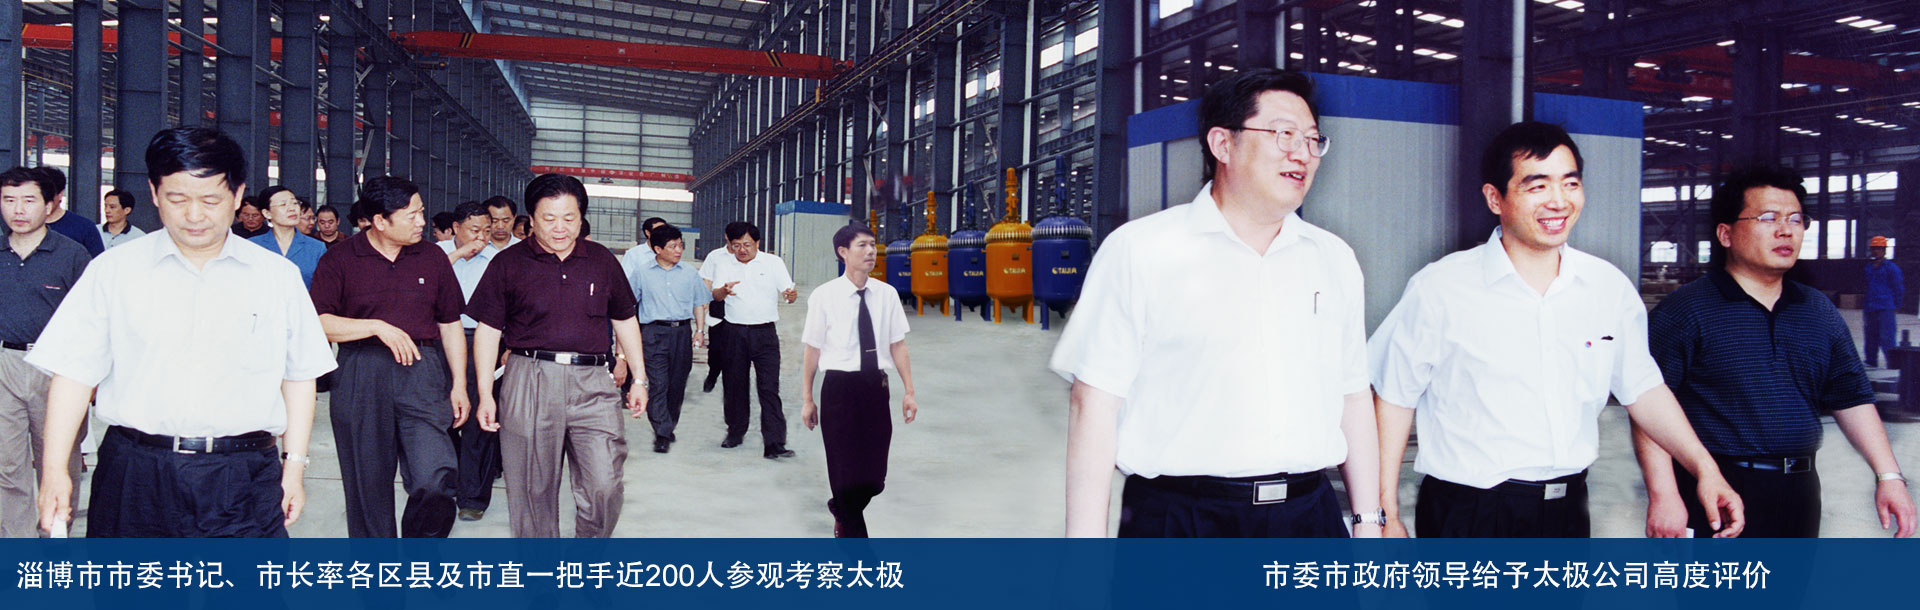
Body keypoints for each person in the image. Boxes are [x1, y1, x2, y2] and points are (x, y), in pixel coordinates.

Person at [1369, 121, 1744, 538]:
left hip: (1567, 510)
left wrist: (1704, 468)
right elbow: (1394, 397)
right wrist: (1385, 513)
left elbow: (1644, 390)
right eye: (1538, 186)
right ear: (1495, 198)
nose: (1559, 201)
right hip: (1470, 514)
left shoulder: (1606, 288)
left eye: (1570, 183)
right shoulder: (1441, 287)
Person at [1050, 68, 1380, 538]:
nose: (1302, 153)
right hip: (1183, 522)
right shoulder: (1142, 250)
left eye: (1312, 139)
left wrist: (1368, 521)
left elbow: (1352, 395)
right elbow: (1094, 404)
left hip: (1310, 519)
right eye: (1284, 134)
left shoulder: (1334, 259)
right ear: (1222, 144)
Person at [31, 126, 335, 538]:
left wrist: (294, 465)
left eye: (210, 200)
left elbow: (299, 376)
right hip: (135, 473)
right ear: (155, 194)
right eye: (177, 199)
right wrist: (54, 470)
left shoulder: (276, 277)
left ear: (237, 196)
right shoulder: (113, 271)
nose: (194, 215)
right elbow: (72, 374)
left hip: (242, 475)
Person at [1636, 166, 1913, 538]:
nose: (1786, 230)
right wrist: (1664, 494)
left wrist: (1889, 476)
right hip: (1716, 489)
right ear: (1725, 234)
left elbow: (1852, 397)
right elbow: (1648, 405)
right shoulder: (1686, 311)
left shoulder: (1817, 310)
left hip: (1799, 491)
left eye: (1796, 219)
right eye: (1768, 218)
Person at [469, 173, 646, 538]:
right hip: (529, 376)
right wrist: (485, 393)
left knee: (604, 484)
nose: (560, 228)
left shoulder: (601, 260)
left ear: (581, 218)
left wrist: (639, 378)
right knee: (531, 488)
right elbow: (488, 331)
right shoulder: (508, 263)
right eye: (549, 219)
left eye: (569, 218)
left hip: (593, 381)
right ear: (531, 221)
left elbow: (625, 319)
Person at [309, 176, 467, 538]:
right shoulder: (340, 259)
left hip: (422, 371)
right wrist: (376, 327)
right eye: (412, 215)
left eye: (421, 212)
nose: (421, 222)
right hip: (361, 371)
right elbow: (318, 322)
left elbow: (450, 324)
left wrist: (459, 384)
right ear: (380, 220)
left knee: (435, 476)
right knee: (367, 485)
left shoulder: (432, 258)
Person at [801, 223, 918, 538]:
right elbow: (812, 349)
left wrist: (909, 391)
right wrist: (808, 399)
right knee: (845, 474)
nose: (871, 251)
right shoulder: (824, 296)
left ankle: (840, 508)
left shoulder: (887, 294)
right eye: (862, 245)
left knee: (874, 479)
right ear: (843, 252)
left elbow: (897, 345)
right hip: (839, 389)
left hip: (875, 388)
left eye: (872, 244)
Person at [0, 167, 92, 538]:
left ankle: (54, 540)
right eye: (9, 200)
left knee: (57, 459)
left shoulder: (72, 255)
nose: (18, 210)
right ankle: (17, 547)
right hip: (5, 362)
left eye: (28, 200)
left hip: (56, 369)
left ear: (50, 205)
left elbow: (91, 321)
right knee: (7, 463)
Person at [701, 221, 798, 458]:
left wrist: (791, 295)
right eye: (736, 245)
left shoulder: (773, 263)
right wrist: (723, 291)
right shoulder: (724, 263)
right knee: (734, 384)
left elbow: (789, 294)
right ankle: (735, 432)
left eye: (747, 244)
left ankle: (774, 443)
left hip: (765, 334)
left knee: (769, 388)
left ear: (757, 243)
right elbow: (715, 295)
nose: (742, 250)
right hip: (733, 332)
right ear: (730, 245)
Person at [438, 200, 504, 521]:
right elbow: (423, 281)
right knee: (443, 417)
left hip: (483, 341)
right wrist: (458, 254)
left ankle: (473, 498)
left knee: (481, 419)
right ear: (456, 228)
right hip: (439, 342)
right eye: (475, 230)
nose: (482, 238)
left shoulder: (498, 260)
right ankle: (447, 482)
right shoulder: (435, 255)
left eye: (487, 231)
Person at [625, 224, 708, 454]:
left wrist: (700, 330)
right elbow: (629, 304)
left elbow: (699, 302)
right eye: (673, 246)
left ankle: (668, 423)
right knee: (659, 383)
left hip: (681, 333)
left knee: (677, 385)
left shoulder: (689, 273)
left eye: (680, 245)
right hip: (653, 333)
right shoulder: (642, 273)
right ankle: (662, 431)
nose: (678, 250)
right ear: (658, 249)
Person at [616, 216, 672, 397]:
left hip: (661, 308)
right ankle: (629, 387)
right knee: (633, 345)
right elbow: (625, 280)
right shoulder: (635, 254)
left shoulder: (671, 252)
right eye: (657, 229)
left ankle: (658, 390)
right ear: (648, 233)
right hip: (639, 307)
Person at [248, 186, 327, 288]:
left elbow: (323, 288)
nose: (292, 208)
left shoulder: (316, 248)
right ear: (267, 213)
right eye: (283, 204)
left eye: (295, 203)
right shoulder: (252, 246)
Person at [21, 167, 106, 257]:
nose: (42, 201)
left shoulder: (85, 228)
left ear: (60, 194)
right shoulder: (20, 225)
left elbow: (98, 262)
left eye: (46, 196)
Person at [1864, 235, 1905, 368]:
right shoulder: (1868, 268)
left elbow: (1898, 288)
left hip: (1885, 308)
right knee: (1870, 336)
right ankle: (1871, 360)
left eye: (1879, 248)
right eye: (1873, 248)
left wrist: (1896, 305)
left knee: (1887, 337)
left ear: (1884, 250)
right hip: (1870, 307)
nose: (1876, 251)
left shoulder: (1892, 268)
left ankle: (1892, 362)